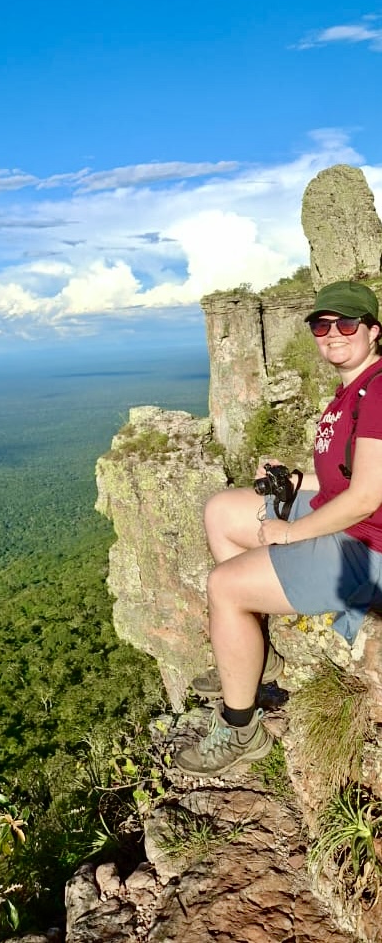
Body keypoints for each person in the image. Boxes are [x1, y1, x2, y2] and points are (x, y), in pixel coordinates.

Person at [175, 280, 382, 777]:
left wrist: (294, 531)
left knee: (224, 587)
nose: (332, 334)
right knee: (223, 511)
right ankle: (253, 656)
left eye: (347, 324)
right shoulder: (352, 390)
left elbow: (369, 496)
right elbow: (348, 477)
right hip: (353, 518)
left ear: (374, 331)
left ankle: (241, 727)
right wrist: (295, 479)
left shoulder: (378, 392)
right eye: (321, 325)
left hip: (368, 548)